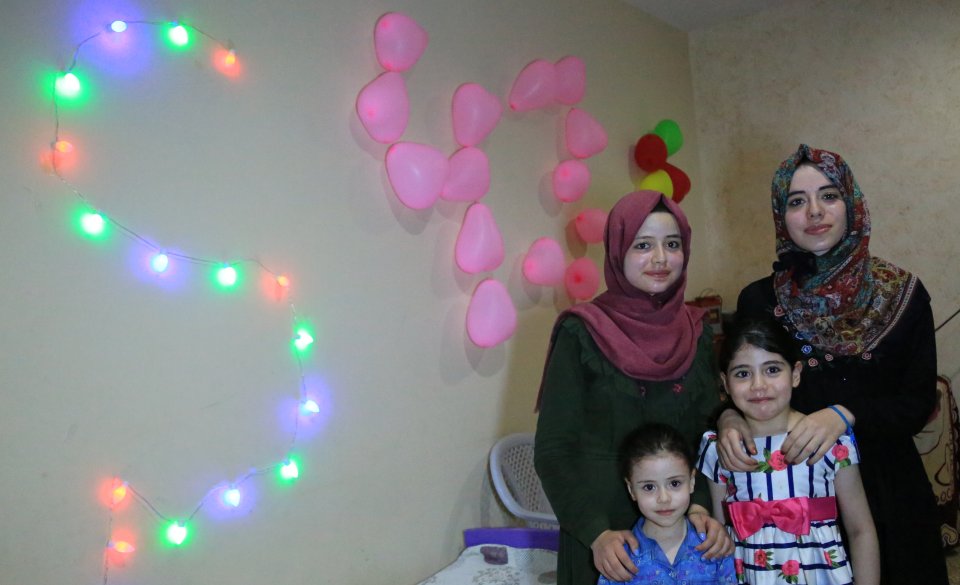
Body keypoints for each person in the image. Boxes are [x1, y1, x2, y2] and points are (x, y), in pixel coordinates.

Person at [716, 144, 947, 584]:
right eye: (796, 201)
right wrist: (729, 417)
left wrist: (845, 415)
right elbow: (740, 383)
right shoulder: (759, 300)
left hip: (889, 492)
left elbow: (917, 403)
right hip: (794, 498)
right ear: (780, 215)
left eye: (829, 195)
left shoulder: (903, 294)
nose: (815, 212)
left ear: (852, 204)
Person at [534, 190, 733, 585]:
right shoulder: (581, 331)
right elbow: (554, 451)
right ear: (617, 250)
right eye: (643, 245)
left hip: (682, 533)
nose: (660, 258)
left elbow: (705, 436)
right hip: (605, 542)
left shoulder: (695, 332)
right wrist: (596, 533)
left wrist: (698, 506)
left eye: (672, 244)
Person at [699, 317, 880, 585]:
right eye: (743, 374)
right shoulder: (718, 447)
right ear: (725, 383)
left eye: (772, 370)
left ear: (795, 374)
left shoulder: (830, 440)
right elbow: (720, 533)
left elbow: (860, 530)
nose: (758, 385)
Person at [599, 423, 738, 585]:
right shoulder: (619, 559)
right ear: (631, 490)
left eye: (674, 483)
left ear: (692, 481)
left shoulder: (714, 546)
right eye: (649, 487)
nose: (664, 498)